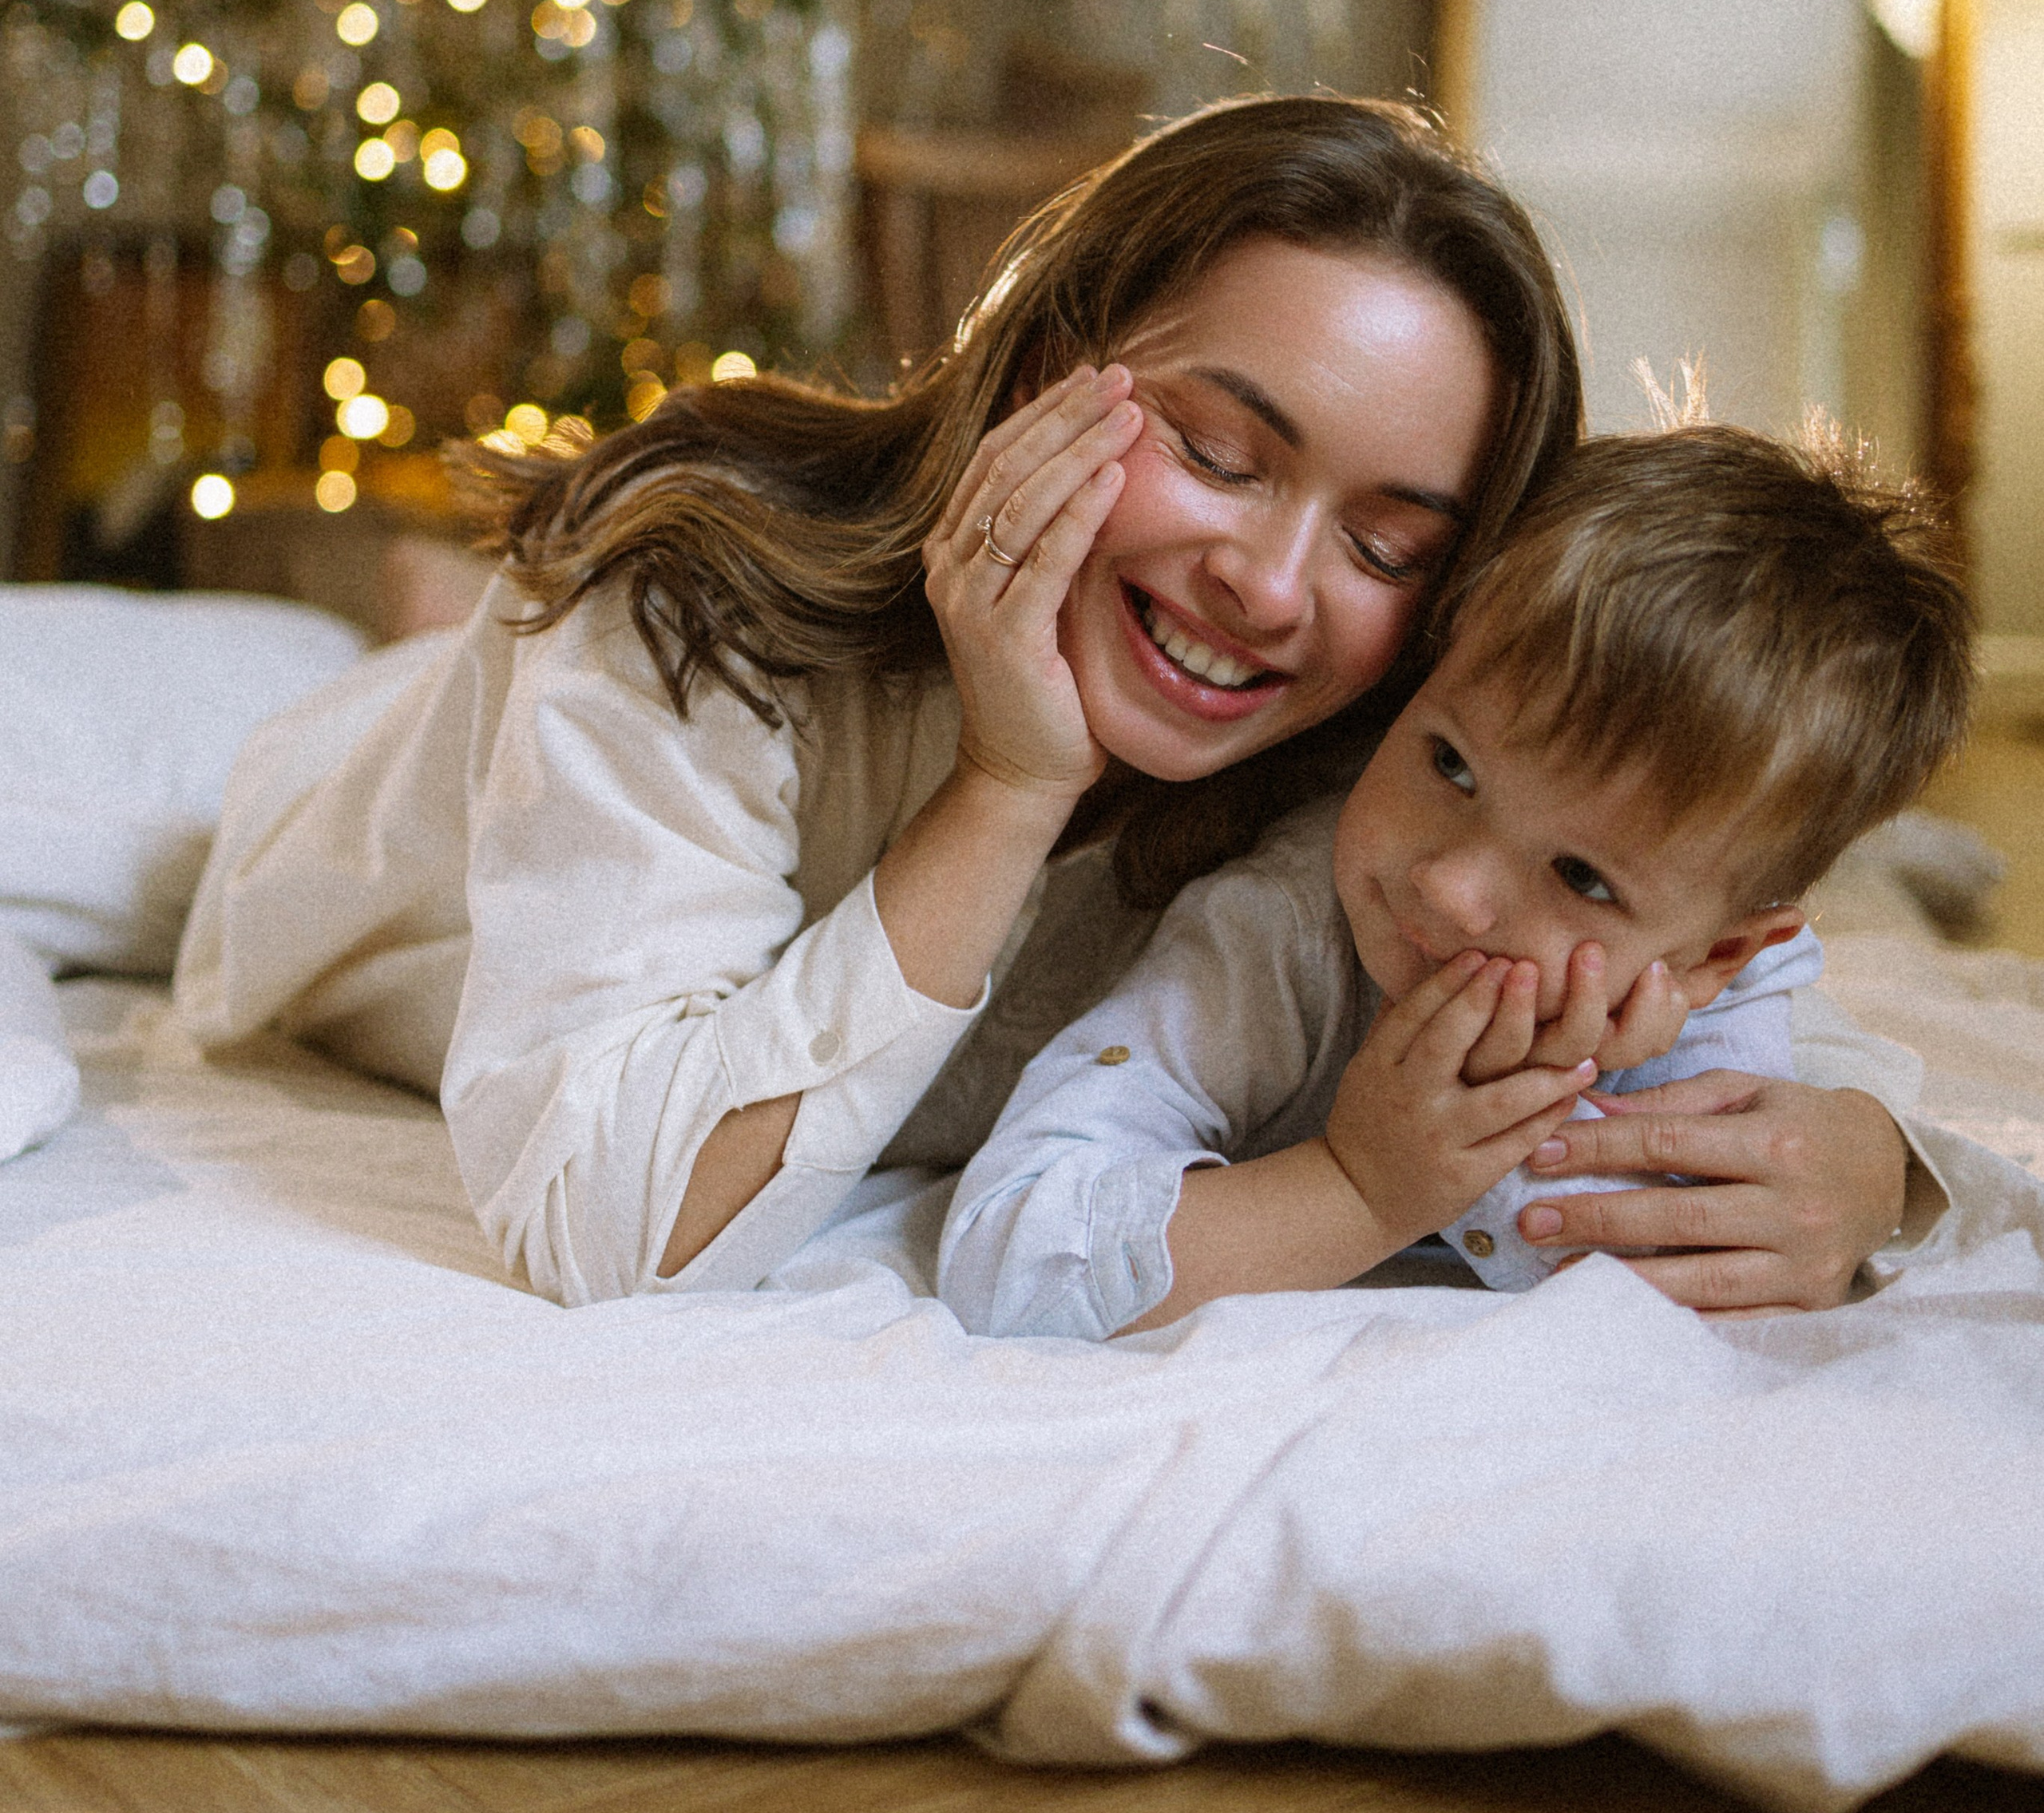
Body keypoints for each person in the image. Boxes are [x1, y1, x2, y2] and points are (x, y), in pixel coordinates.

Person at [175, 96, 1919, 1306]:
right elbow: (608, 1233)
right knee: (289, 717)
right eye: (1218, 454)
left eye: (1387, 545)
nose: (1270, 588)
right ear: (1035, 372)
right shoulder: (699, 606)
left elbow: (1704, 924)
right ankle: (438, 627)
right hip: (351, 850)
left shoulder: (1401, 764)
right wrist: (1007, 789)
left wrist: (1870, 1161)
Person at [937, 422, 1972, 1337]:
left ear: (1717, 956)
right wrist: (1360, 1189)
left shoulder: (1721, 981)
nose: (1449, 887)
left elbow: (1711, 1274)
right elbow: (1007, 1258)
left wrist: (1845, 1163)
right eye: (1451, 764)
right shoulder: (1278, 931)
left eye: (1581, 877)